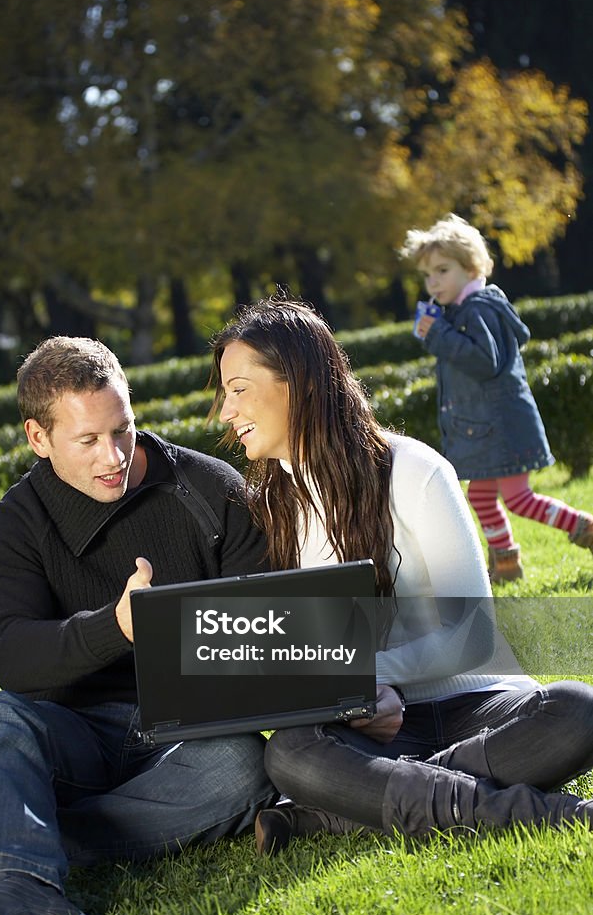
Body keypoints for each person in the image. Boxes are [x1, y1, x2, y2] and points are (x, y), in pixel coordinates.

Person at [0, 336, 275, 915]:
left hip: (187, 734)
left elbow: (267, 629)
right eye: (87, 441)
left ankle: (0, 846)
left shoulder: (214, 489)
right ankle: (20, 889)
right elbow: (18, 662)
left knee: (243, 765)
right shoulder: (12, 526)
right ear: (38, 437)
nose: (113, 456)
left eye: (123, 430)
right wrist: (119, 625)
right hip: (73, 737)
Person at [209, 297, 593, 855]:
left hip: (478, 708)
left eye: (239, 388)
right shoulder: (267, 507)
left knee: (577, 711)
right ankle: (535, 813)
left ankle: (339, 811)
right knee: (290, 751)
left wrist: (369, 673)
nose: (226, 411)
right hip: (370, 729)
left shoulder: (413, 469)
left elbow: (473, 634)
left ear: (302, 382)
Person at [399, 213, 593, 584]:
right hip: (488, 429)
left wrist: (438, 333)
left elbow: (484, 361)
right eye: (427, 274)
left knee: (519, 499)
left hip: (503, 426)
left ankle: (585, 529)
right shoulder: (462, 311)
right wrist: (440, 329)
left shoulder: (478, 309)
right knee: (483, 499)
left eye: (442, 270)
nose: (432, 282)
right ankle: (506, 565)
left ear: (471, 268)